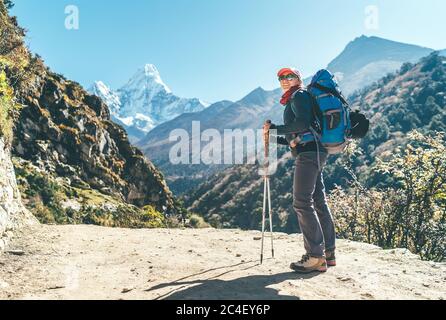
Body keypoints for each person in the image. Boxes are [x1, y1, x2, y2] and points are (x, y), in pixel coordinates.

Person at [263, 67, 336, 273]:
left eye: (289, 76)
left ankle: (315, 256)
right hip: (315, 150)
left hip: (309, 154)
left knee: (302, 202)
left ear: (298, 78)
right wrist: (274, 137)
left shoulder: (299, 95)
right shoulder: (300, 97)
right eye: (281, 77)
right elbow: (299, 133)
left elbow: (301, 123)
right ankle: (328, 253)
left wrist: (274, 128)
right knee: (319, 201)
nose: (285, 80)